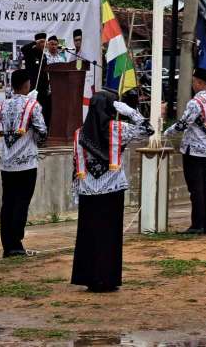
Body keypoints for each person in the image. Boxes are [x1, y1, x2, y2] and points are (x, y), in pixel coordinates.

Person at [70, 90, 152, 292]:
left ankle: (89, 277)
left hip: (88, 191)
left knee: (88, 235)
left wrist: (75, 191)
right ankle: (107, 278)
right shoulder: (119, 128)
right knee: (109, 235)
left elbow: (76, 165)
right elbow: (148, 130)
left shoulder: (80, 133)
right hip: (112, 190)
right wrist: (131, 112)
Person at [166, 68, 206, 234]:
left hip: (193, 150)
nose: (192, 85)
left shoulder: (195, 103)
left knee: (195, 188)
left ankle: (197, 224)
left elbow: (183, 124)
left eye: (194, 81)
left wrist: (165, 132)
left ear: (200, 83)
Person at [0, 69, 48, 257]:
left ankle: (7, 244)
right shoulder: (33, 105)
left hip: (7, 162)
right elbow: (42, 132)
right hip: (26, 162)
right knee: (21, 202)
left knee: (8, 202)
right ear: (27, 84)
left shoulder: (4, 104)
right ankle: (16, 243)